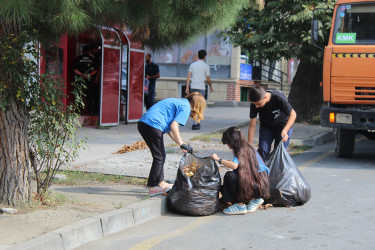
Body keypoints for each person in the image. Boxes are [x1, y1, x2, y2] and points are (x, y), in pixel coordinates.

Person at [138, 92, 206, 195]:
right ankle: (153, 186)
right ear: (197, 106)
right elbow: (174, 126)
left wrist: (181, 143)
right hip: (153, 125)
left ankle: (160, 183)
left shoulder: (180, 102)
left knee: (160, 156)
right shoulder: (185, 107)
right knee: (159, 157)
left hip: (145, 123)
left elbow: (169, 129)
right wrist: (182, 144)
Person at [211, 127, 270, 215]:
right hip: (262, 185)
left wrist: (218, 159)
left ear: (231, 141)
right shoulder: (250, 148)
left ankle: (239, 205)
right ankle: (255, 199)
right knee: (236, 177)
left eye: (227, 143)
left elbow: (234, 166)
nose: (228, 146)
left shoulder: (240, 150)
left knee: (229, 176)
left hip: (255, 185)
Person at [248, 86, 297, 161]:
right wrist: (249, 146)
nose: (256, 106)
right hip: (267, 127)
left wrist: (285, 130)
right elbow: (252, 126)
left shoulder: (277, 97)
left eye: (258, 104)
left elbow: (293, 114)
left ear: (265, 97)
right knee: (263, 149)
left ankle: (277, 172)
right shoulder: (254, 104)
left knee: (278, 153)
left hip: (283, 126)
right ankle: (262, 171)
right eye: (254, 104)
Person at [186, 49, 213, 130]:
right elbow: (208, 78)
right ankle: (196, 123)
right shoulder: (206, 66)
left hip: (193, 86)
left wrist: (187, 87)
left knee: (193, 104)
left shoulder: (193, 65)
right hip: (201, 87)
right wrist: (211, 87)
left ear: (198, 55)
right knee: (200, 105)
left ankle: (195, 122)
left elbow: (188, 76)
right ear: (205, 56)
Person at [73, 45, 97, 115]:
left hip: (80, 81)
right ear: (89, 51)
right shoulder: (91, 59)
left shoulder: (78, 58)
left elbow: (75, 69)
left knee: (80, 96)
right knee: (90, 97)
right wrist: (88, 76)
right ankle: (90, 112)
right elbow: (95, 70)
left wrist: (82, 75)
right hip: (89, 81)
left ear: (83, 51)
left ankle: (79, 112)